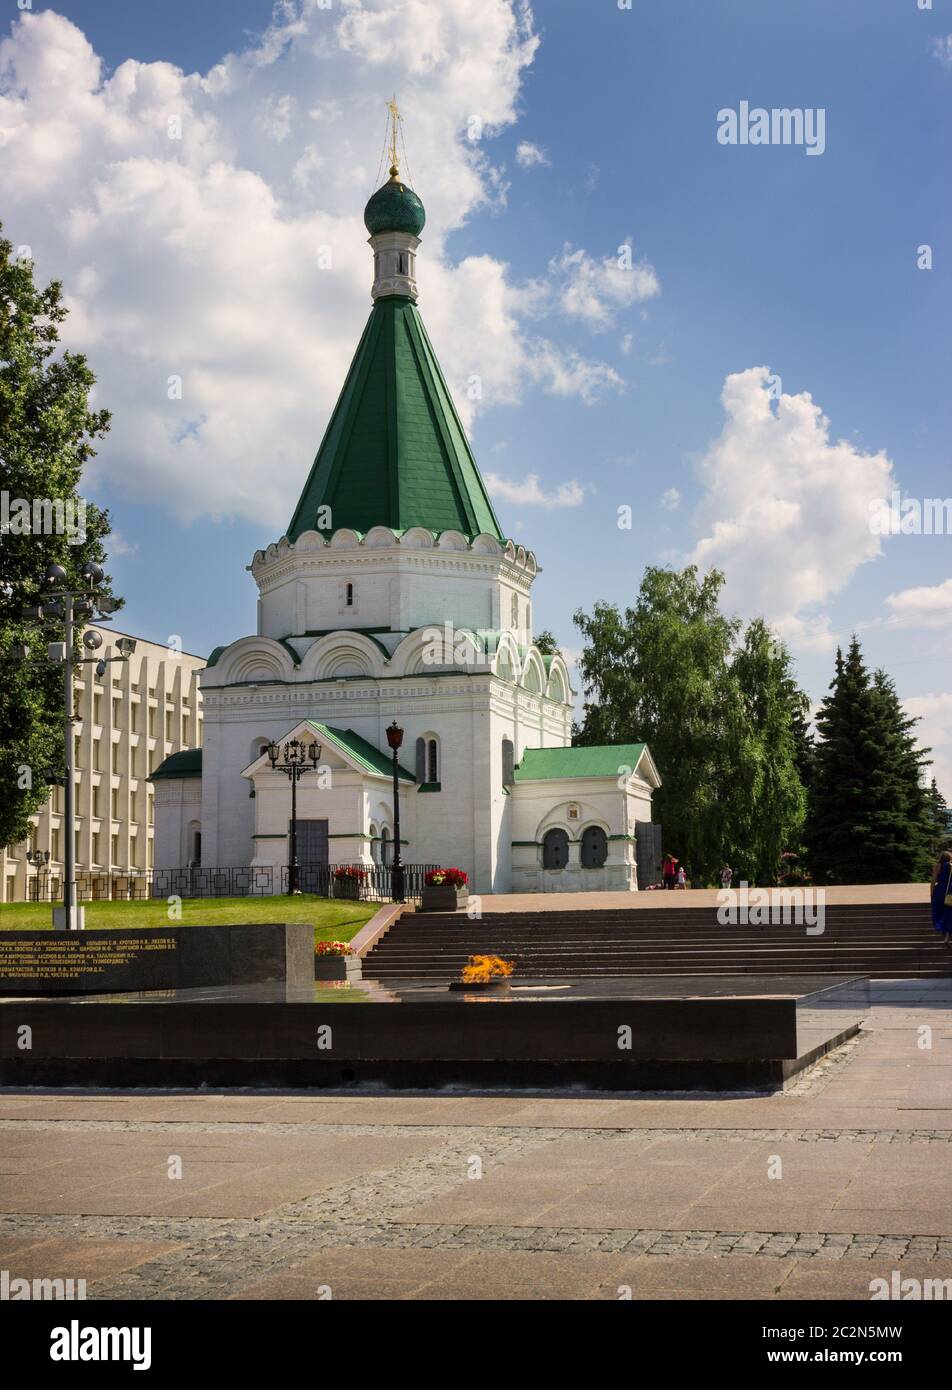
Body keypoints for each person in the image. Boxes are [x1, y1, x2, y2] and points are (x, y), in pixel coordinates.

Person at [930, 851, 952, 945]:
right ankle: (947, 936)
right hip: (950, 891)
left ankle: (945, 933)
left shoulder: (937, 866)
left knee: (940, 912)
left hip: (939, 891)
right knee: (949, 914)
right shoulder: (951, 866)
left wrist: (931, 894)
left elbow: (933, 881)